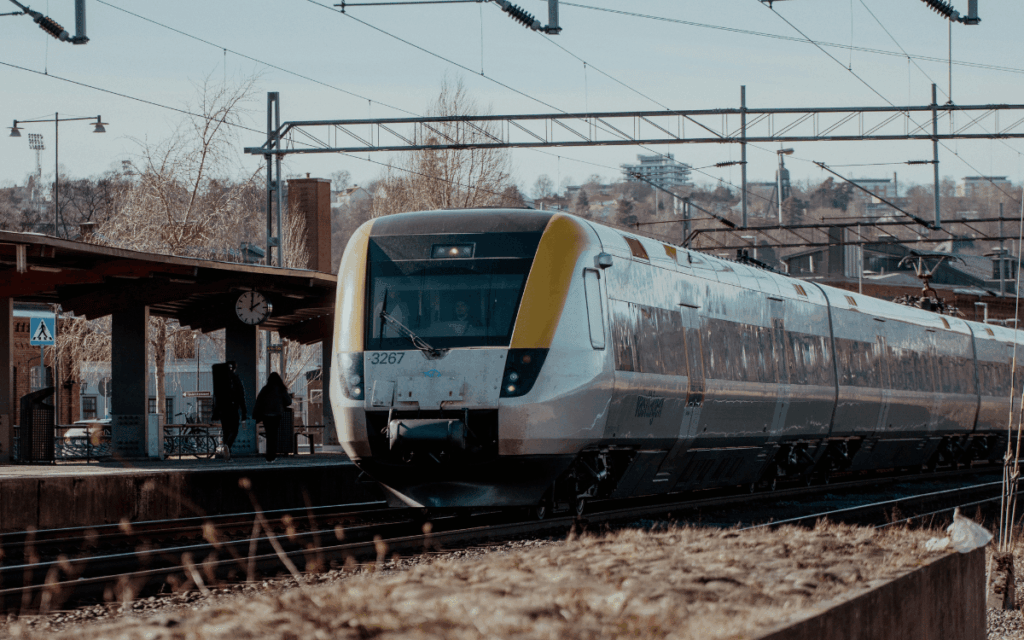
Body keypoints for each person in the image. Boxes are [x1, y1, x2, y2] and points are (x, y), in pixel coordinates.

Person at [211, 361, 246, 462]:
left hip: (222, 410)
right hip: (233, 408)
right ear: (234, 368)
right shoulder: (235, 379)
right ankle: (227, 446)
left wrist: (215, 412)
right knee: (234, 430)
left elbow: (216, 397)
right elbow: (241, 396)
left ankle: (227, 455)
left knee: (226, 431)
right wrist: (244, 413)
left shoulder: (220, 380)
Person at [253, 372, 291, 463]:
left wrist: (256, 414)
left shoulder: (265, 389)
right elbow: (289, 401)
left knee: (269, 434)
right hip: (276, 415)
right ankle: (271, 455)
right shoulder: (281, 389)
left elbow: (259, 401)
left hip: (266, 415)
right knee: (274, 435)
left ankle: (269, 456)